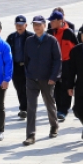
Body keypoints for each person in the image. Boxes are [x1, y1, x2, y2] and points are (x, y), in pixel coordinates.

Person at [22, 15, 62, 145]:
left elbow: (57, 60)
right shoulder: (29, 41)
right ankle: (30, 135)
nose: (36, 27)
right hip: (32, 78)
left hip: (47, 79)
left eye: (39, 24)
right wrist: (28, 74)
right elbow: (26, 59)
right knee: (31, 107)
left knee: (49, 103)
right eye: (34, 25)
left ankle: (54, 125)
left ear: (45, 25)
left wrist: (53, 77)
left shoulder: (51, 40)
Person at [47, 11, 78, 122]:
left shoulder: (68, 32)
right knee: (56, 86)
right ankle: (58, 108)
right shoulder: (49, 32)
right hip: (54, 63)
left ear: (60, 21)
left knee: (66, 86)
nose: (50, 22)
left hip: (67, 63)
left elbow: (76, 48)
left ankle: (63, 110)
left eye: (53, 20)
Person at [6, 15, 33, 119]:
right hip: (15, 67)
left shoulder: (31, 37)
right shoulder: (11, 37)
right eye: (17, 24)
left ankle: (26, 108)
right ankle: (23, 108)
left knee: (28, 88)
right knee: (19, 88)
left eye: (21, 24)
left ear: (26, 25)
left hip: (28, 66)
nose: (19, 26)